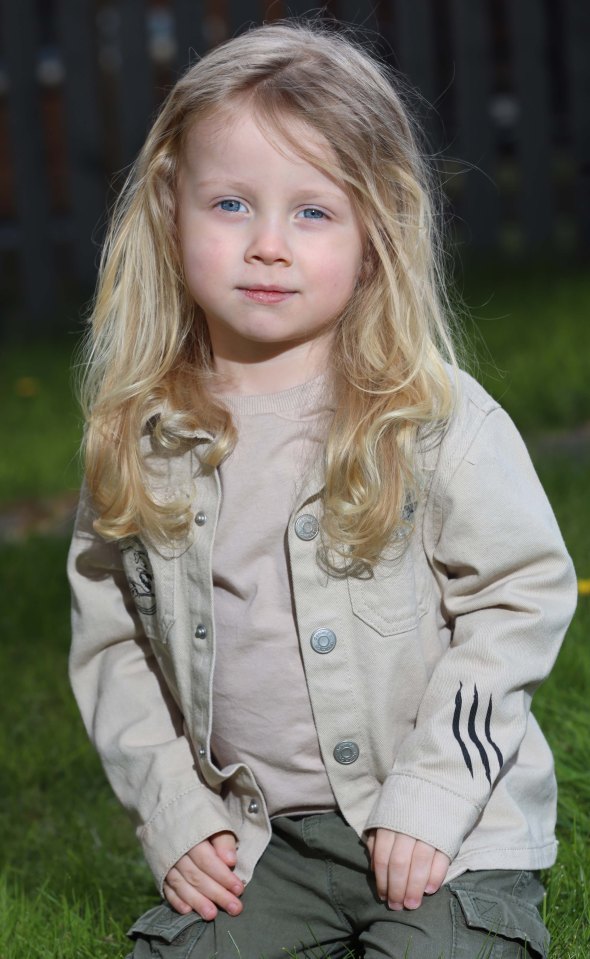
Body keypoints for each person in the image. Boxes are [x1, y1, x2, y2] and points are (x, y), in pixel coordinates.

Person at [67, 20, 577, 959]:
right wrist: (178, 812)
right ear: (172, 208)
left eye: (312, 211)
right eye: (230, 204)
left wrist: (432, 794)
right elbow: (113, 646)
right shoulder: (142, 438)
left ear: (375, 232)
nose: (268, 244)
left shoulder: (432, 420)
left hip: (448, 830)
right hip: (263, 842)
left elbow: (521, 592)